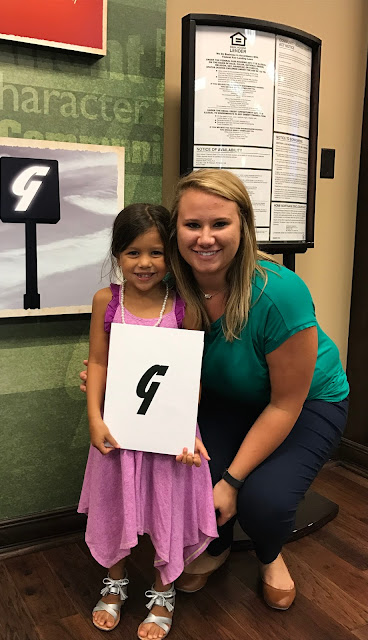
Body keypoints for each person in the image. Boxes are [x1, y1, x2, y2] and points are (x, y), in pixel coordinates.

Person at [81, 170, 349, 612]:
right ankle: (217, 544)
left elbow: (285, 403)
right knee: (191, 472)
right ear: (176, 233)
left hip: (302, 404)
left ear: (243, 226)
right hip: (226, 398)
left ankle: (269, 553)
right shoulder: (172, 288)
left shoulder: (280, 293)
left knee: (263, 501)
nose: (205, 238)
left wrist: (233, 481)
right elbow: (142, 355)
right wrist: (113, 380)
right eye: (192, 225)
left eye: (219, 223)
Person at [78, 203, 218, 638]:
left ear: (170, 255)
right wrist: (94, 418)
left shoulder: (183, 307)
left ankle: (163, 590)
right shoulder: (107, 301)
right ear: (117, 254)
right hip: (118, 432)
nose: (145, 263)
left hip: (169, 435)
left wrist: (186, 430)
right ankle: (115, 582)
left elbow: (190, 377)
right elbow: (98, 363)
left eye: (156, 252)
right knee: (114, 506)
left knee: (167, 509)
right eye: (133, 252)